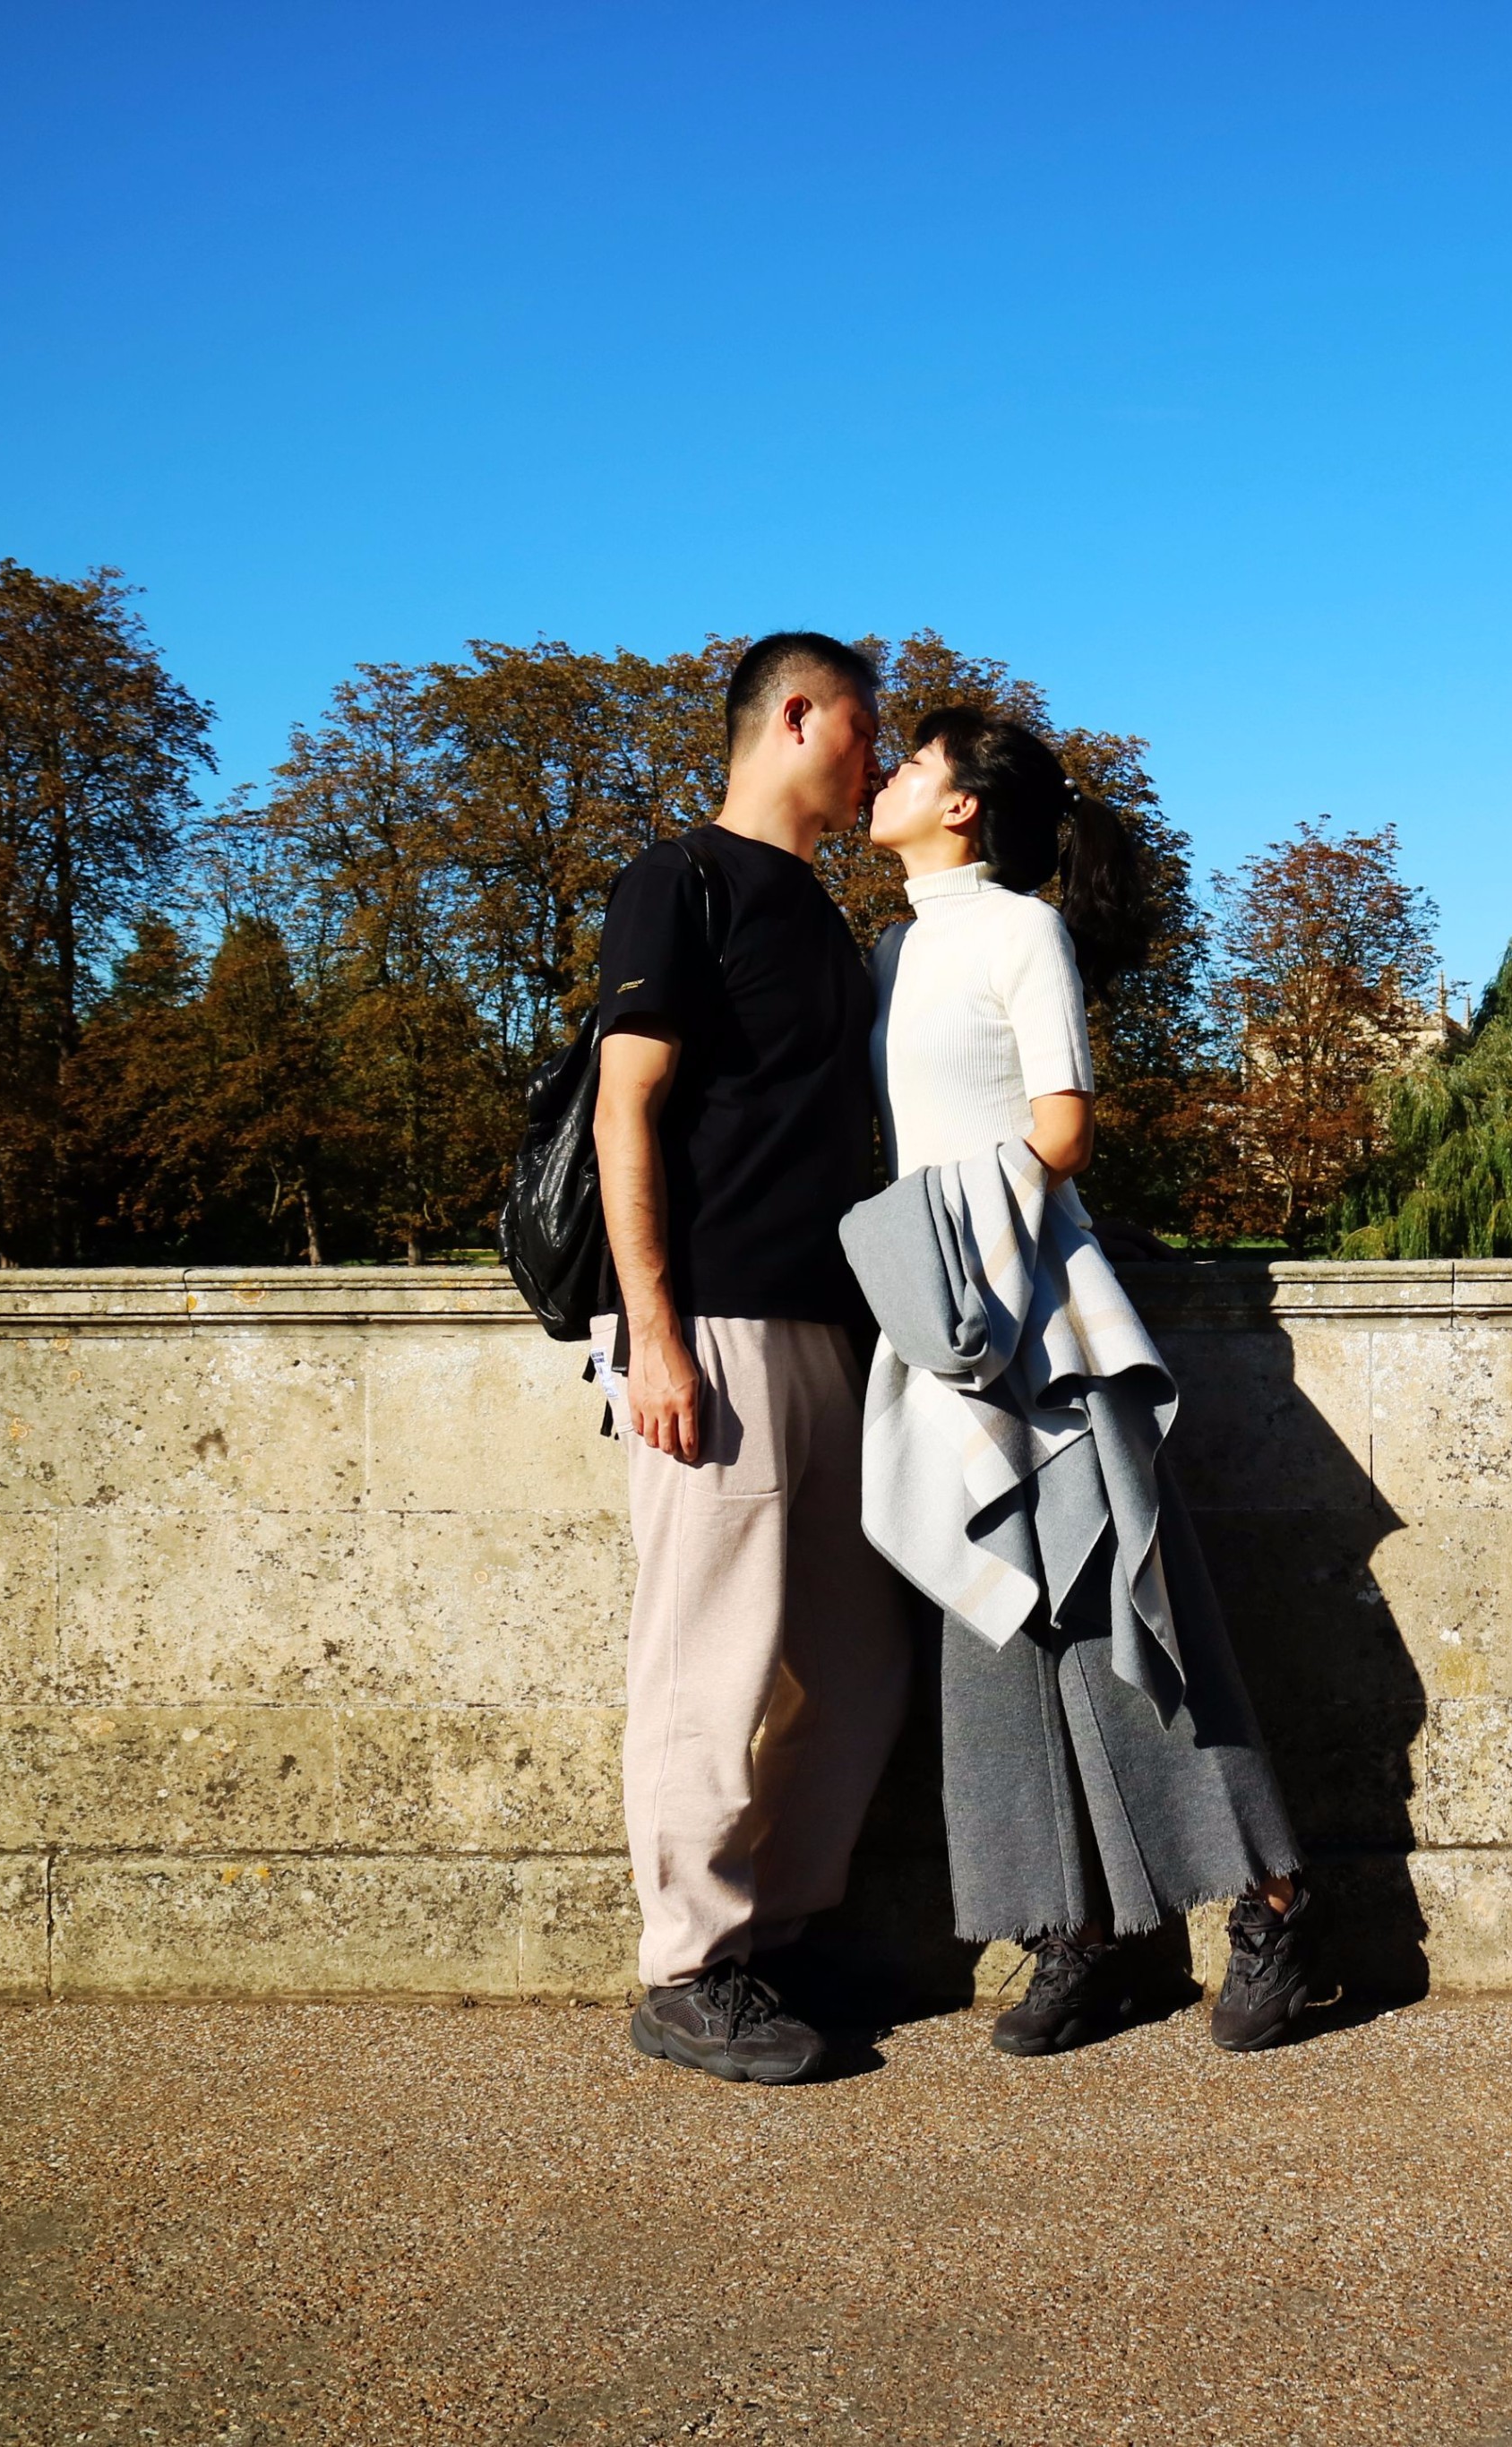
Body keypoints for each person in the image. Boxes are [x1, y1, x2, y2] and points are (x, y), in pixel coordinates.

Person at [853, 704, 1323, 2055]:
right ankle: (1083, 1936)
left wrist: (945, 1248)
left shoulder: (1019, 930)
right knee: (994, 1625)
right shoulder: (890, 950)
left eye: (911, 763)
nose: (886, 775)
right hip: (942, 1323)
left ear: (961, 807)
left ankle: (1280, 1904)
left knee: (1131, 1615)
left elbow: (1061, 1127)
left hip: (1038, 1319)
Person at [590, 633, 908, 2085]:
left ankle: (770, 1936)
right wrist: (654, 1339)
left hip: (827, 1327)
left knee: (853, 1666)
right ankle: (688, 1968)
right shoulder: (683, 882)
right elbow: (625, 1115)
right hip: (710, 1325)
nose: (879, 755)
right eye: (865, 727)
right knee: (708, 1661)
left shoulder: (823, 920)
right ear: (797, 715)